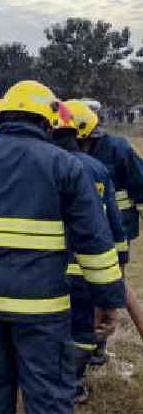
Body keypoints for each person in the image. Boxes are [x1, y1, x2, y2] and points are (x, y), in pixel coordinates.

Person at [0, 80, 124, 414]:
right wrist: (107, 300)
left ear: (2, 117)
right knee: (48, 400)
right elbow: (94, 242)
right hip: (44, 311)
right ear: (48, 121)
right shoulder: (67, 166)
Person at [53, 100, 126, 404]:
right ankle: (74, 382)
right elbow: (113, 225)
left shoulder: (42, 165)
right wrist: (119, 264)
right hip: (86, 271)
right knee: (83, 329)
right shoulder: (97, 169)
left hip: (47, 269)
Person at [77, 100, 143, 366]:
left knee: (112, 287)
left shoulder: (118, 148)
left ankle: (96, 348)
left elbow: (140, 185)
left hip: (117, 229)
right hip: (90, 230)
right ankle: (93, 348)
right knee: (103, 288)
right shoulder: (68, 153)